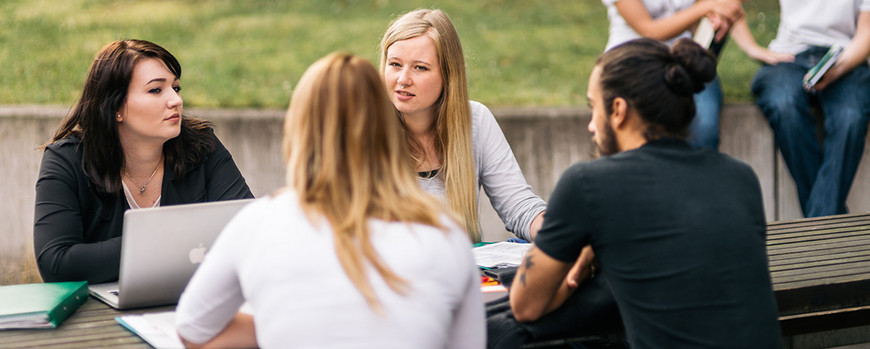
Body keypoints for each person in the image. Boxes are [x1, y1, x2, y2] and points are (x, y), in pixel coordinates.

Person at [175, 53, 485, 349]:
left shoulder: (259, 223)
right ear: (389, 131)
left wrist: (282, 324)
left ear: (298, 130)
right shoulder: (444, 232)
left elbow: (193, 329)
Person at [508, 38, 782, 347]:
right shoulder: (740, 177)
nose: (590, 126)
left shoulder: (589, 183)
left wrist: (584, 261)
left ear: (618, 110)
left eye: (593, 108)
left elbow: (525, 305)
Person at [33, 39, 253, 284]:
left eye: (176, 88)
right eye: (156, 90)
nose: (176, 100)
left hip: (189, 301)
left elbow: (250, 230)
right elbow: (56, 262)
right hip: (94, 314)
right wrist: (166, 239)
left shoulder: (201, 147)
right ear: (116, 107)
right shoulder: (66, 160)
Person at [379, 9, 546, 242]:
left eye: (420, 67)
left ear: (448, 75)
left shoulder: (475, 120)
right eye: (395, 64)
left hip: (462, 272)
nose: (403, 79)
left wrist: (562, 237)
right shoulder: (365, 128)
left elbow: (519, 207)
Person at [730, 1, 870, 217]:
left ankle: (817, 224)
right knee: (783, 105)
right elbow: (724, 5)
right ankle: (826, 220)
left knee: (850, 117)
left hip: (845, 57)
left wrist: (838, 67)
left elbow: (866, 32)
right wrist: (752, 48)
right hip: (789, 57)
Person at [601, 0, 745, 149]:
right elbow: (650, 30)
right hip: (633, 63)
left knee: (704, 128)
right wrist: (707, 7)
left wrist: (716, 17)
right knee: (643, 131)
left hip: (686, 61)